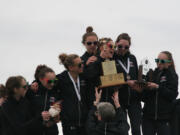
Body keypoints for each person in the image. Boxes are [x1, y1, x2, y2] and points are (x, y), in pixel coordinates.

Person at [132, 51, 178, 135]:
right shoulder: (152, 74)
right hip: (148, 117)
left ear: (169, 63)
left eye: (162, 61)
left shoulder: (172, 75)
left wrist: (158, 87)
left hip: (164, 118)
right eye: (157, 60)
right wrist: (140, 91)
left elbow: (173, 95)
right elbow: (145, 98)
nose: (159, 63)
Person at [114, 33, 142, 135]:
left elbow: (136, 76)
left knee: (136, 130)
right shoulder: (112, 57)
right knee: (123, 130)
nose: (123, 49)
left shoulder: (132, 58)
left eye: (126, 47)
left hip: (134, 99)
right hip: (119, 100)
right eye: (120, 46)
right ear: (116, 44)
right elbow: (110, 78)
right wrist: (126, 82)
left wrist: (141, 84)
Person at [56, 53, 88, 135]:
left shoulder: (84, 77)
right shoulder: (60, 78)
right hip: (69, 123)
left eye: (82, 63)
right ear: (71, 67)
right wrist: (35, 83)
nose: (82, 66)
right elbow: (48, 81)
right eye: (79, 65)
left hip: (85, 122)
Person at [25, 65, 60, 135]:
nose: (52, 84)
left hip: (52, 131)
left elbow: (60, 108)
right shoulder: (31, 90)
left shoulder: (55, 90)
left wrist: (56, 119)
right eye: (49, 81)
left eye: (54, 81)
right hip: (34, 131)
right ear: (41, 79)